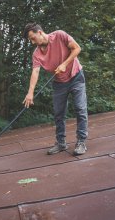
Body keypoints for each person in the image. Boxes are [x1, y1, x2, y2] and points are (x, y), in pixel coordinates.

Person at [22, 23, 88, 155]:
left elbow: (77, 49)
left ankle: (81, 142)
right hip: (59, 83)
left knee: (80, 109)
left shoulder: (59, 35)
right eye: (30, 40)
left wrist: (64, 64)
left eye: (33, 38)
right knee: (58, 114)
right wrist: (30, 93)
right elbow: (35, 72)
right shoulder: (37, 54)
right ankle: (61, 143)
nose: (33, 42)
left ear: (40, 32)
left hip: (76, 76)